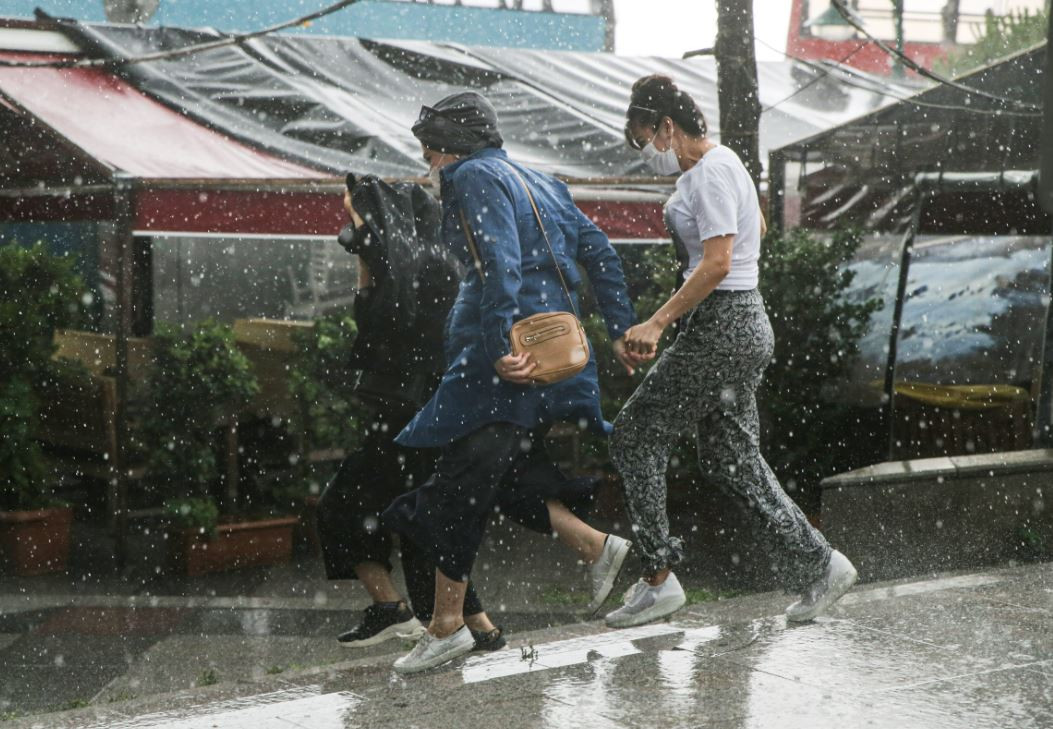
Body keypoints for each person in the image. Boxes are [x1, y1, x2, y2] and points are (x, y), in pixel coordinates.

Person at [382, 91, 643, 674]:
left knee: (456, 486)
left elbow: (497, 262)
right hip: (551, 355)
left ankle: (448, 625)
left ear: (444, 148)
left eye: (428, 153)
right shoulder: (540, 179)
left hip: (497, 362)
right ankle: (595, 548)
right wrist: (621, 327)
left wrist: (501, 345)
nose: (427, 165)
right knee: (500, 476)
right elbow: (599, 251)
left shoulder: (471, 176)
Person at [604, 75, 858, 629]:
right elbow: (757, 227)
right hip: (741, 321)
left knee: (634, 433)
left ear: (667, 125)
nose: (648, 152)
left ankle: (657, 580)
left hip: (724, 323)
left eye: (647, 137)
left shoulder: (708, 172)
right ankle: (823, 565)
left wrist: (657, 320)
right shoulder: (724, 163)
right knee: (730, 458)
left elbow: (719, 263)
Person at [317, 174, 505, 651]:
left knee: (356, 508)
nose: (350, 231)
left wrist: (365, 249)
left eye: (354, 220)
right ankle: (474, 625)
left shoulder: (412, 275)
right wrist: (365, 253)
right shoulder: (428, 262)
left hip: (408, 415)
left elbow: (375, 328)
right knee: (419, 515)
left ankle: (404, 612)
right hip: (424, 412)